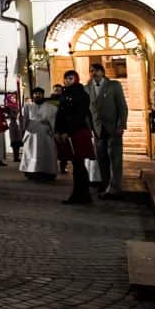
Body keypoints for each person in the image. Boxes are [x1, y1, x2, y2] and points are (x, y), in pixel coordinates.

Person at [87, 63, 128, 200]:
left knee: (115, 158)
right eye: (92, 71)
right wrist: (90, 126)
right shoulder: (87, 88)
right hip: (98, 129)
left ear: (103, 72)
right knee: (102, 159)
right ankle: (105, 186)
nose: (94, 73)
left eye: (97, 71)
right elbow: (88, 111)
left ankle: (115, 188)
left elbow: (122, 106)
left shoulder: (114, 85)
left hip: (113, 127)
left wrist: (121, 125)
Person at [56, 70, 97, 204]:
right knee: (76, 164)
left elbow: (80, 115)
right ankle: (79, 194)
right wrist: (58, 130)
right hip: (68, 132)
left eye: (70, 78)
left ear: (76, 79)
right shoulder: (64, 94)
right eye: (66, 78)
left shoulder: (81, 94)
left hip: (78, 132)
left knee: (79, 164)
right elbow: (60, 114)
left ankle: (83, 195)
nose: (67, 81)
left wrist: (69, 130)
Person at [20, 87, 58, 181]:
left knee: (46, 153)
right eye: (35, 94)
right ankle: (31, 172)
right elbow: (24, 120)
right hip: (31, 133)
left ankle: (47, 172)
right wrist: (23, 130)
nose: (37, 95)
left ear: (43, 95)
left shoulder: (51, 107)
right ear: (33, 95)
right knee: (31, 153)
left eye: (39, 94)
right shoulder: (28, 106)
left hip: (45, 133)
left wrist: (51, 126)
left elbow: (55, 120)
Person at [5, 93, 23, 162]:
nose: (13, 99)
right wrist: (16, 116)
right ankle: (15, 157)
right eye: (12, 98)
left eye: (14, 98)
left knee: (18, 141)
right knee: (14, 141)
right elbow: (10, 115)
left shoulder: (16, 106)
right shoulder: (8, 107)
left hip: (18, 125)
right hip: (13, 124)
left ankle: (17, 156)